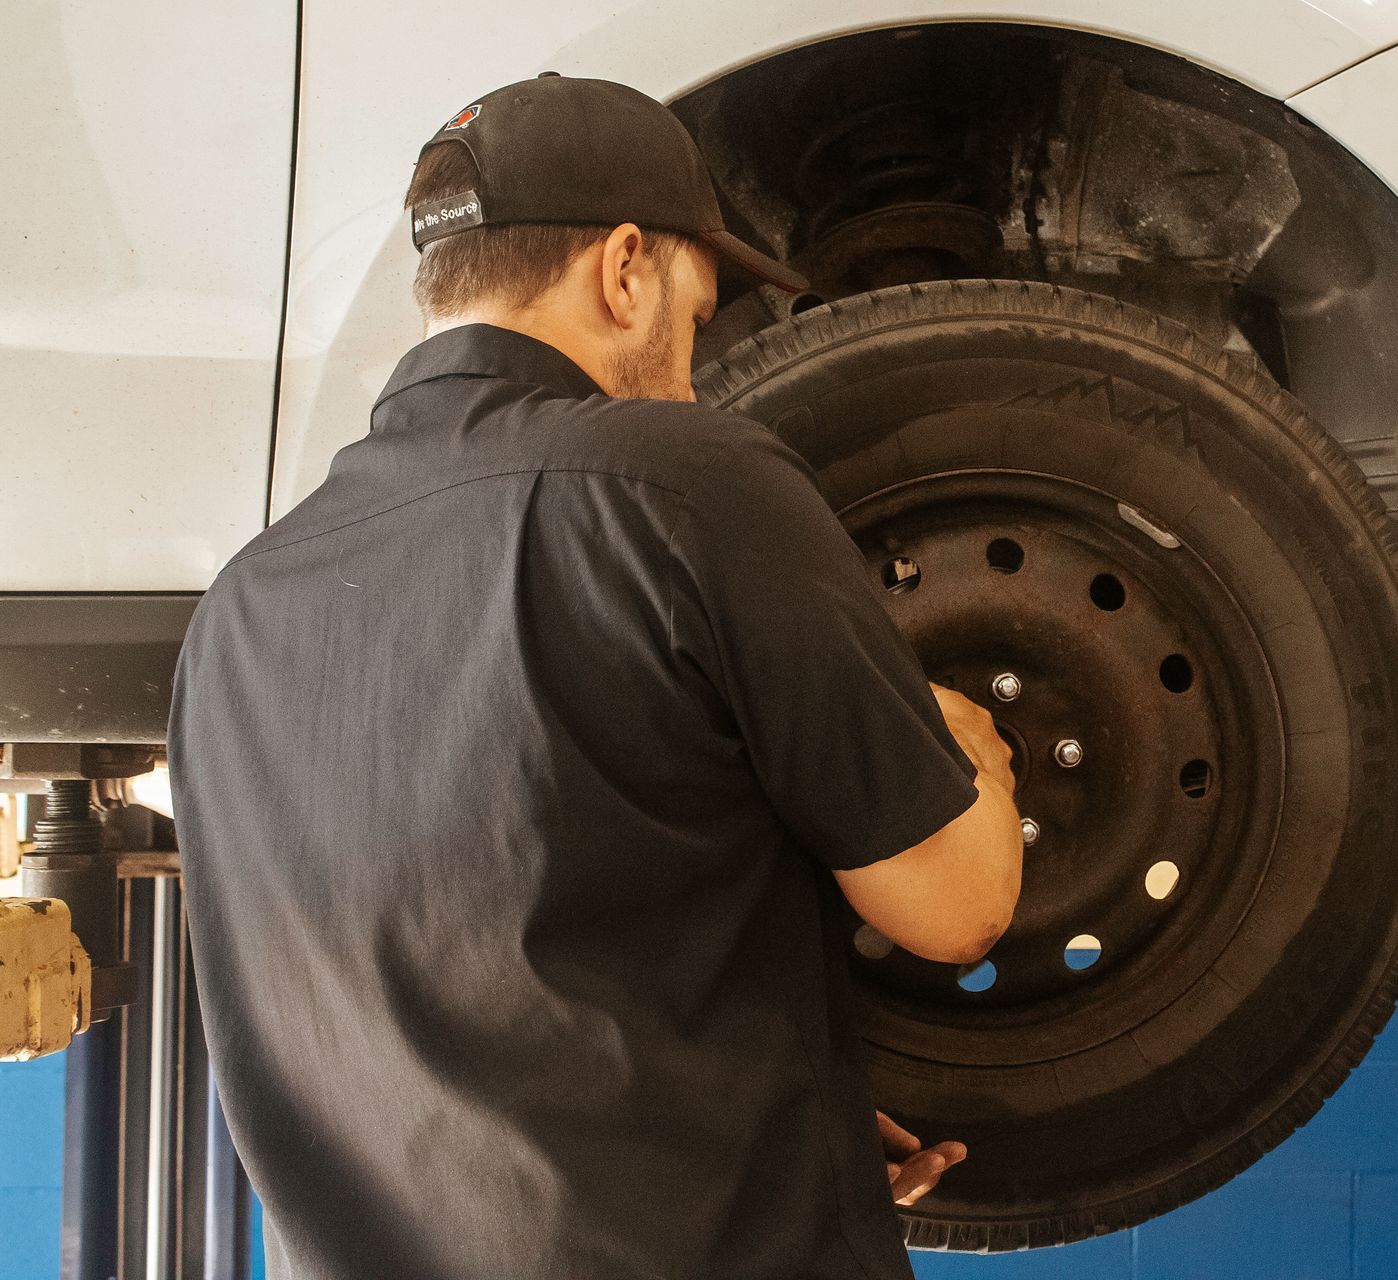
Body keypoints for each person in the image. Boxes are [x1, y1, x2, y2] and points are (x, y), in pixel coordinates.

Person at [166, 73, 1024, 1280]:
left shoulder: (241, 611)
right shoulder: (682, 483)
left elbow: (446, 965)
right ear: (625, 267)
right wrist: (962, 750)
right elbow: (960, 907)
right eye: (700, 313)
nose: (693, 365)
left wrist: (757, 1114)